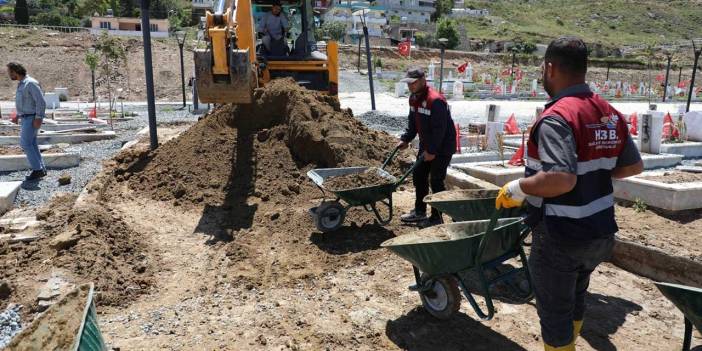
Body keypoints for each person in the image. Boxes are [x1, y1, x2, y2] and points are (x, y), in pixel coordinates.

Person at [495, 37, 643, 351]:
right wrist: (594, 174)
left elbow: (561, 179)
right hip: (599, 232)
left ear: (550, 67)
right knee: (576, 295)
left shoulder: (557, 117)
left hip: (561, 235)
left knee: (554, 314)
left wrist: (518, 187)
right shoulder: (608, 112)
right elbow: (633, 166)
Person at [397, 67, 456, 228]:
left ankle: (437, 217)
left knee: (436, 180)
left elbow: (440, 130)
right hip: (427, 145)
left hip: (443, 147)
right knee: (419, 176)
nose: (410, 86)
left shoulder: (435, 100)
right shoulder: (414, 98)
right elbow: (413, 122)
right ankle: (419, 211)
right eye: (408, 84)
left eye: (413, 83)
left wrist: (432, 151)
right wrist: (406, 139)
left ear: (423, 80)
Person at [7, 62, 46, 181]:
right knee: (32, 144)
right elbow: (24, 103)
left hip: (31, 118)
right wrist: (17, 115)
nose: (9, 75)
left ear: (16, 71)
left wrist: (39, 117)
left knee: (25, 144)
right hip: (25, 118)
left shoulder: (30, 83)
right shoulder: (21, 84)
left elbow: (41, 102)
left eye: (10, 72)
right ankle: (41, 168)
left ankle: (37, 170)